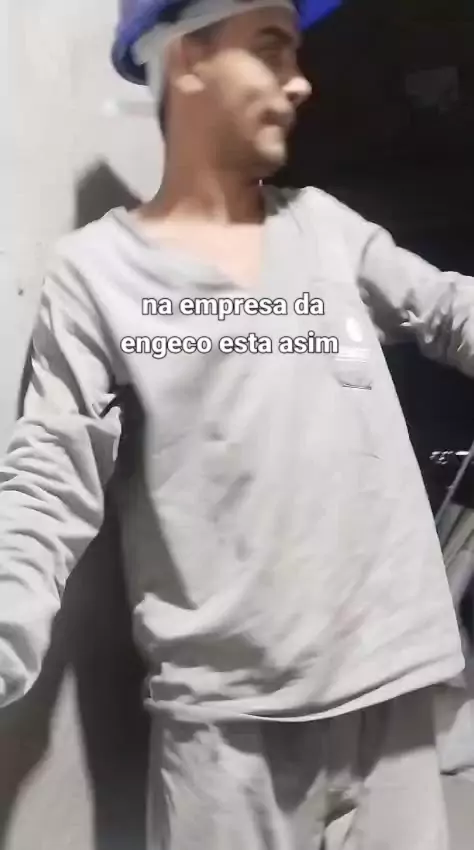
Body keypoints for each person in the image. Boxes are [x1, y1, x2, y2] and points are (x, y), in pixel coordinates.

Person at [0, 0, 473, 846]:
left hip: (395, 688)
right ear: (187, 56)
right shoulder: (98, 273)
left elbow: (448, 310)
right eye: (270, 48)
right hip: (228, 737)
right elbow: (50, 472)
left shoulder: (325, 228)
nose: (301, 81)